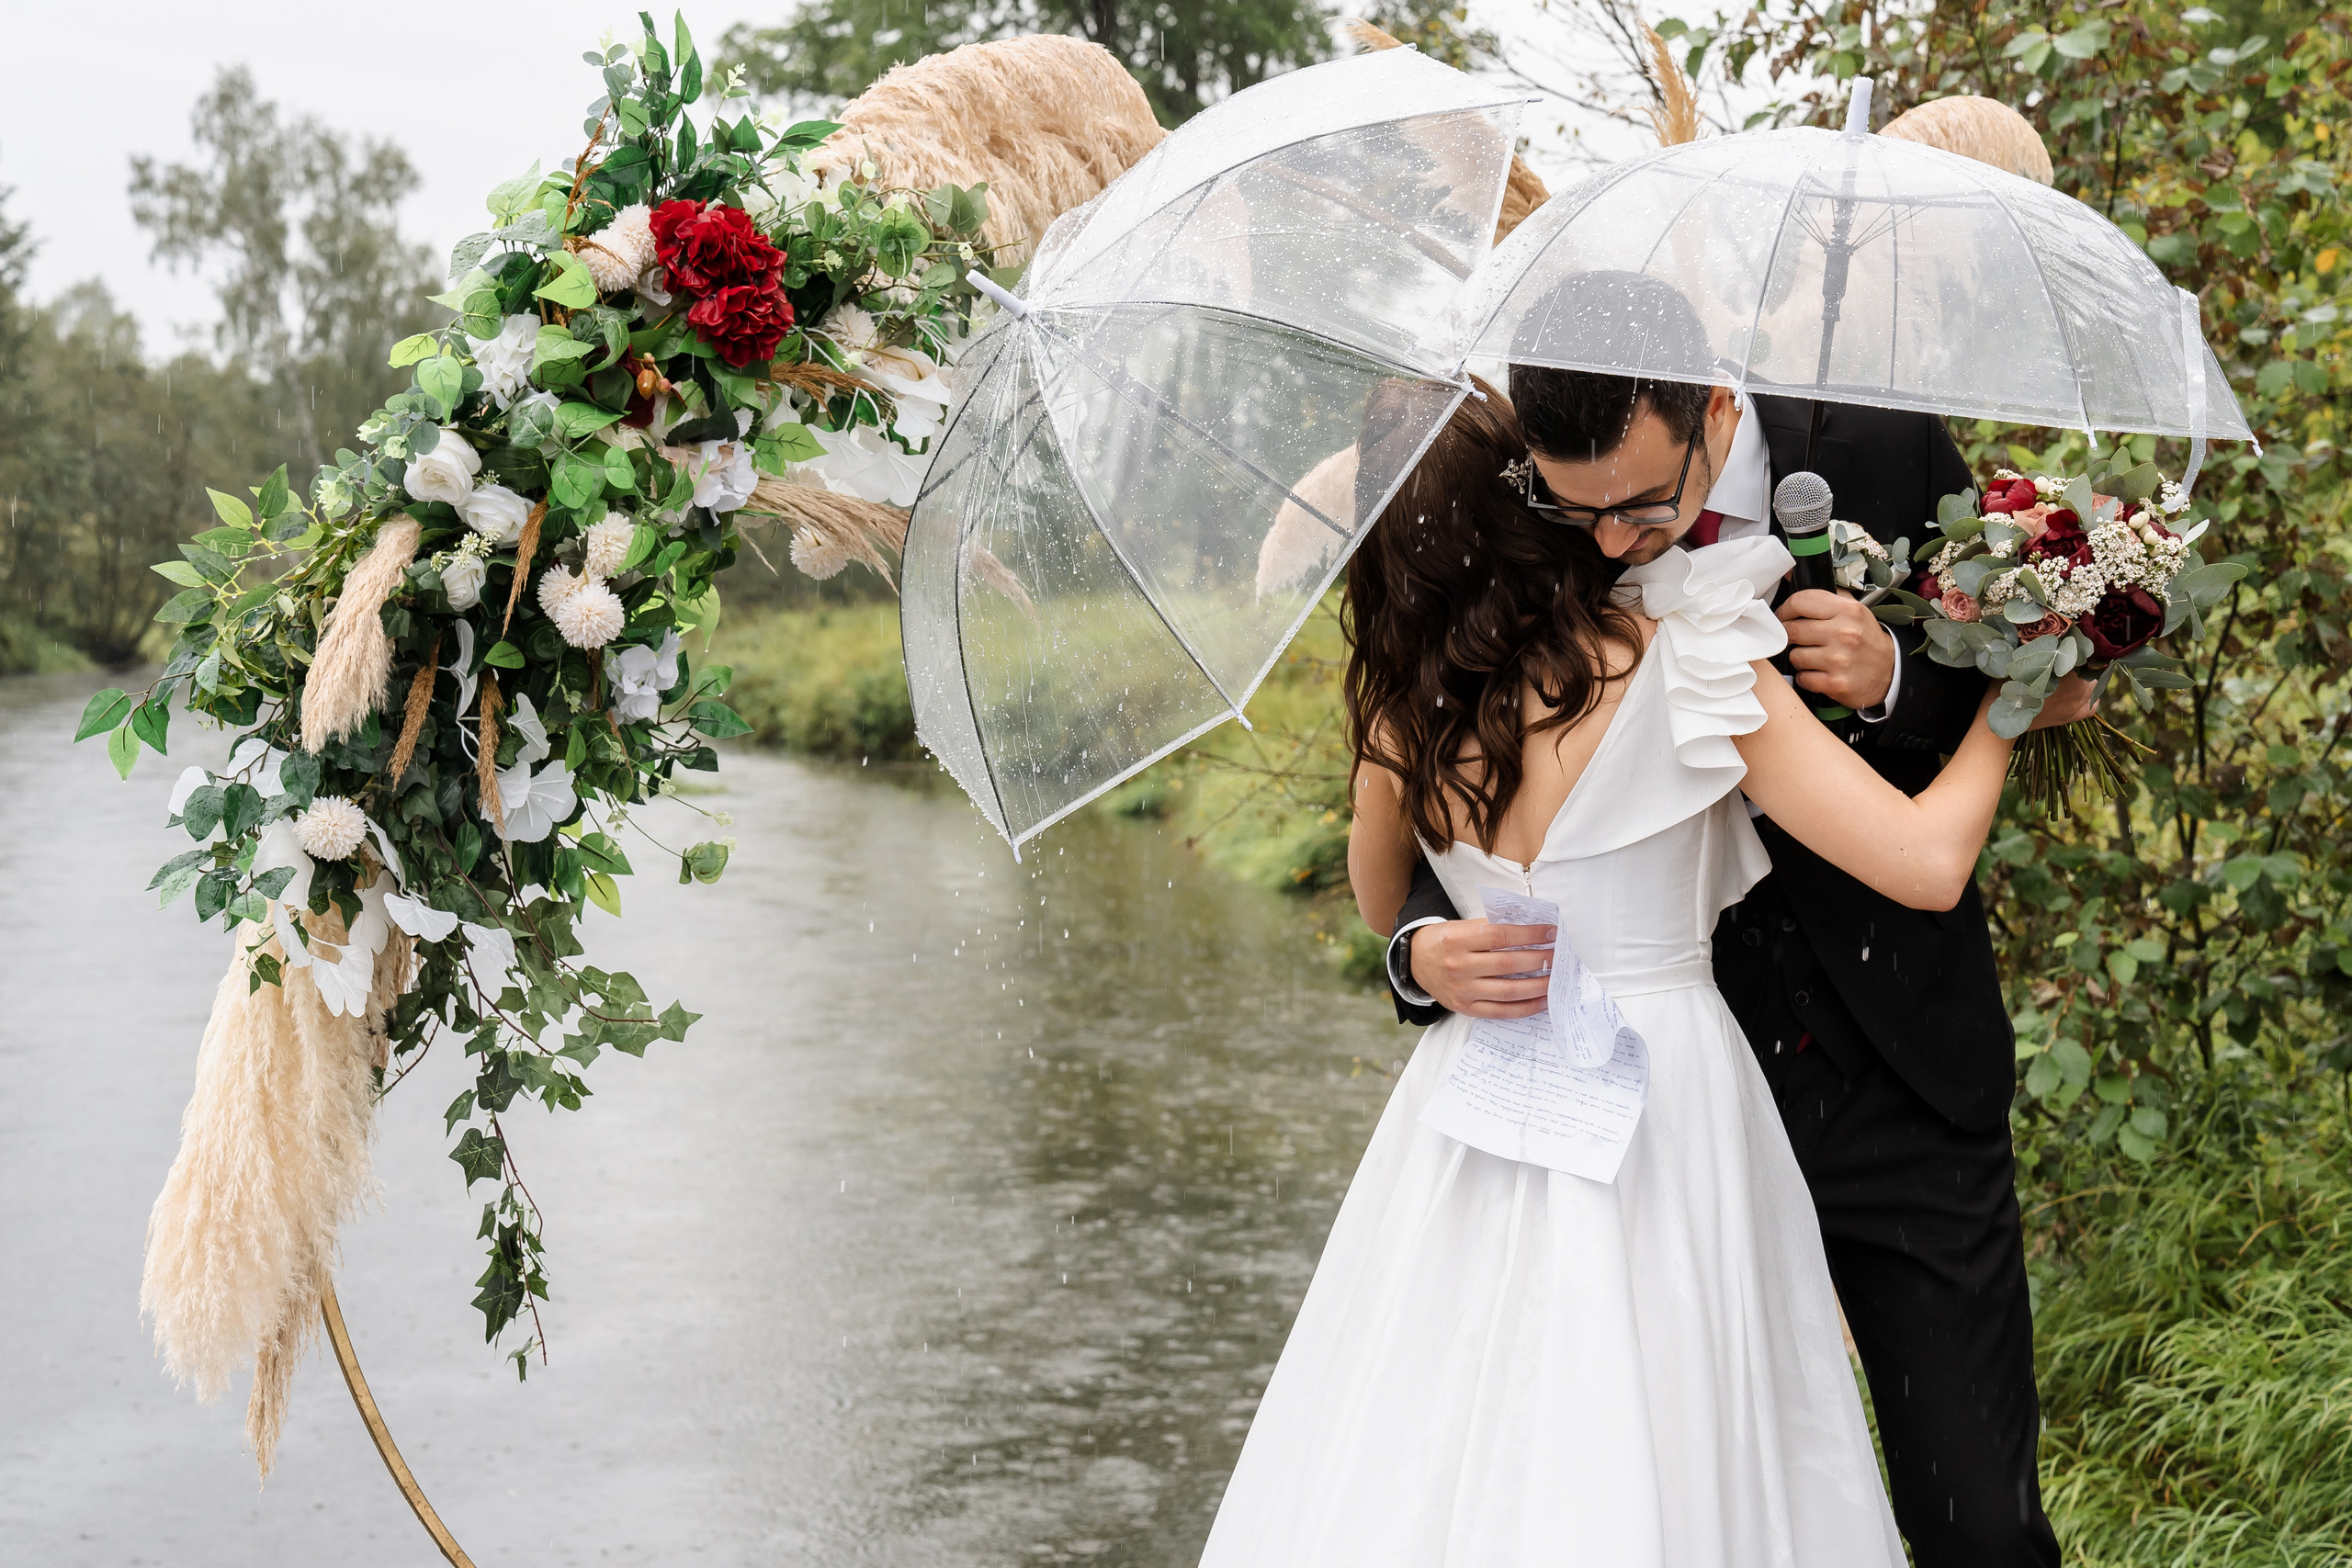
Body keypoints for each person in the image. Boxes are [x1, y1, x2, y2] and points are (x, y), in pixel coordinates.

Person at [1196, 378, 2034, 1565]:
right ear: (1531, 502)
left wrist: (1433, 944)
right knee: (1699, 1439)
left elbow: (1391, 902)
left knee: (1468, 1451)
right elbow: (1927, 862)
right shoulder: (1687, 657)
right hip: (1675, 1099)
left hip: (1479, 1115)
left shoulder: (1405, 701)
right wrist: (2013, 700)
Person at [1376, 277, 2086, 1565]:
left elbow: (2011, 649)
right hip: (1651, 1121)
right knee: (1683, 1501)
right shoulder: (1540, 523)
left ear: (1712, 408)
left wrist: (1896, 679)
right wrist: (1416, 953)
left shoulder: (1880, 446)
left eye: (1644, 507)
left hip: (1891, 1079)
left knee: (1977, 1525)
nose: (1606, 547)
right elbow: (1469, 780)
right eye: (1571, 510)